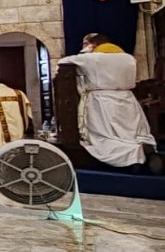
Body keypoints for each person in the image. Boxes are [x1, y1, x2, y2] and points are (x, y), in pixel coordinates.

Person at [57, 33, 158, 172]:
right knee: (132, 133)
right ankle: (144, 150)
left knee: (105, 137)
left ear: (91, 45)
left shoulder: (91, 59)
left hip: (102, 101)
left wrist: (84, 52)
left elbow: (62, 62)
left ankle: (131, 159)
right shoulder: (128, 58)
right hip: (127, 99)